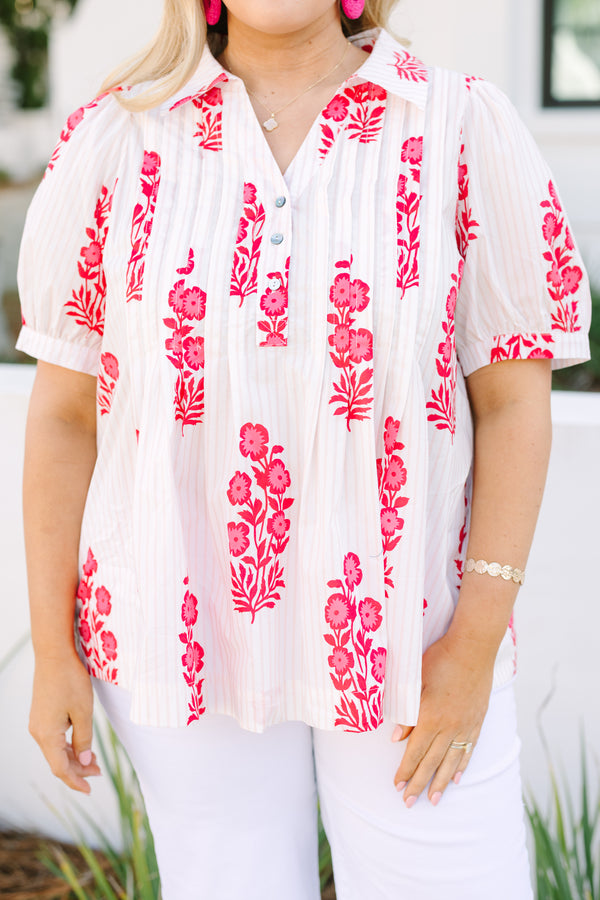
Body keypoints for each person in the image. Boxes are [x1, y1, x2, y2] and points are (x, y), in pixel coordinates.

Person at [17, 1, 591, 898]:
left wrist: (475, 643)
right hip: (178, 632)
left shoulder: (461, 126)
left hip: (412, 642)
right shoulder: (117, 139)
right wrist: (54, 650)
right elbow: (62, 416)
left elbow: (516, 403)